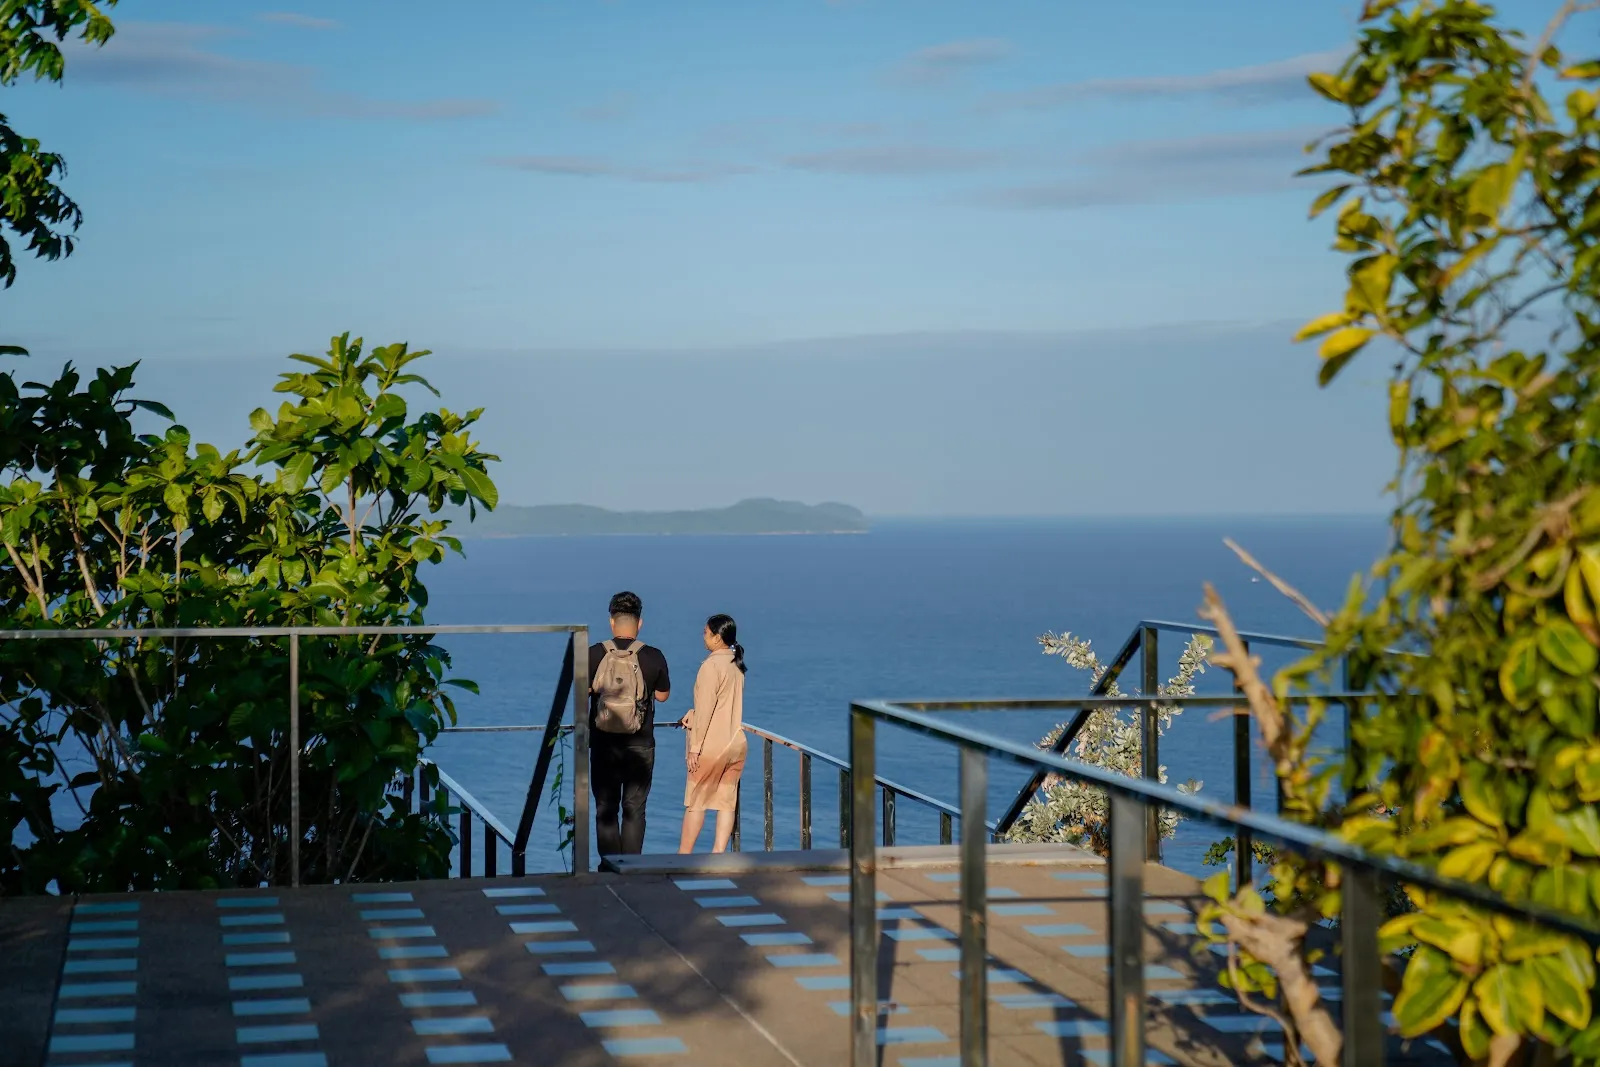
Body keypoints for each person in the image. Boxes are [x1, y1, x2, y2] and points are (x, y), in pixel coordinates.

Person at [588, 591, 670, 856]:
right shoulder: (653, 656)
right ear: (640, 622)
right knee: (634, 809)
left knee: (605, 808)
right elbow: (662, 695)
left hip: (603, 744)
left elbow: (581, 691)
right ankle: (632, 868)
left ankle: (609, 868)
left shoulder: (593, 654)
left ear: (612, 622)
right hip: (640, 745)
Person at [678, 614, 748, 854]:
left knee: (696, 802)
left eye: (706, 633)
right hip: (735, 742)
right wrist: (695, 712)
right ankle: (719, 856)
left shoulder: (710, 666)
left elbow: (707, 709)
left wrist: (695, 747)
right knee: (726, 802)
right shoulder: (736, 664)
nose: (703, 636)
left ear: (718, 637)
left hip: (712, 745)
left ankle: (683, 857)